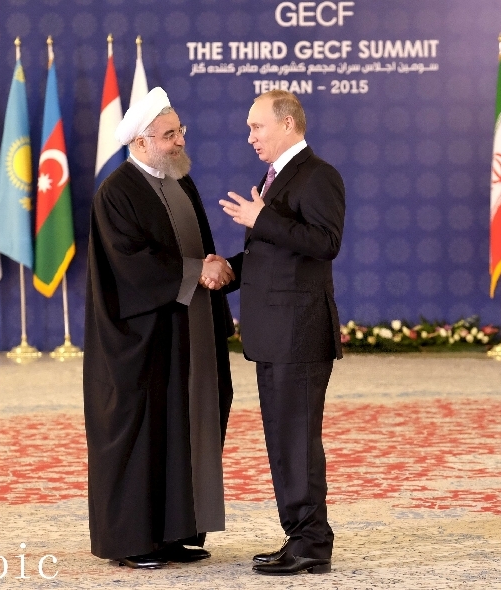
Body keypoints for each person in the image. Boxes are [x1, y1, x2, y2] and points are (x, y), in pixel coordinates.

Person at [83, 87, 236, 569]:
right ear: (141, 142)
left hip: (188, 335)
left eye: (179, 131)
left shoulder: (181, 183)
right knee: (143, 435)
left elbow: (200, 248)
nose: (179, 141)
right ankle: (132, 542)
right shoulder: (116, 192)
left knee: (185, 430)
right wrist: (196, 272)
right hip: (143, 342)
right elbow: (132, 267)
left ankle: (175, 534)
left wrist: (214, 270)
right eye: (169, 135)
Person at [217, 89, 345, 575]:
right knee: (283, 441)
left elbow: (326, 242)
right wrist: (228, 270)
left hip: (300, 334)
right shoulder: (274, 177)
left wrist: (262, 219)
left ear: (288, 124)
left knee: (298, 442)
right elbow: (272, 254)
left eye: (257, 127)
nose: (250, 137)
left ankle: (312, 542)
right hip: (275, 334)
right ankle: (299, 536)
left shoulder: (318, 175)